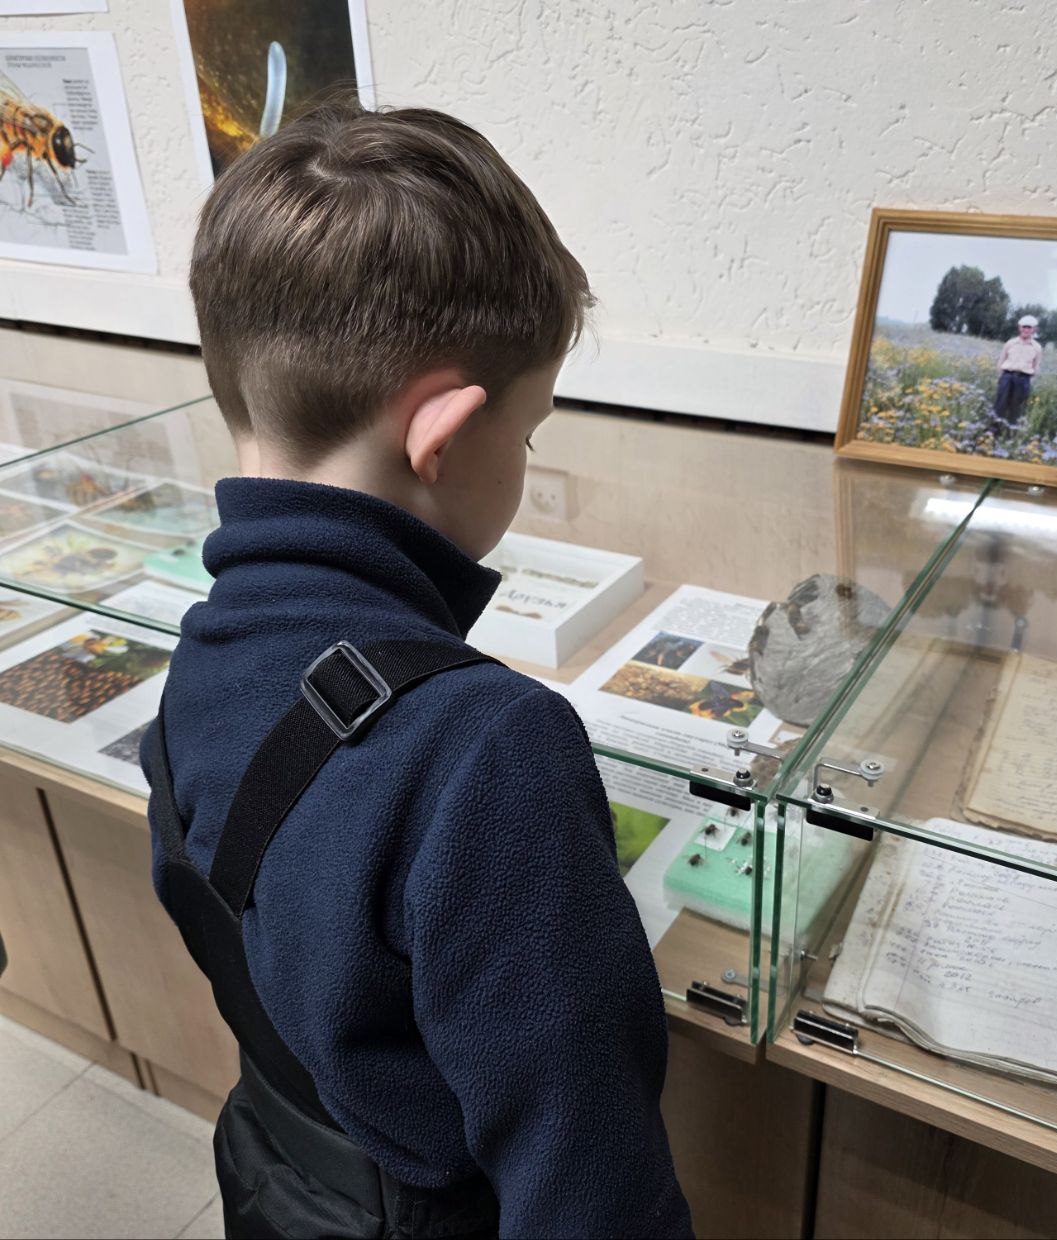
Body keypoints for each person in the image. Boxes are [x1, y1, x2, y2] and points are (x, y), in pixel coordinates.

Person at [142, 102, 693, 1240]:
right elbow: (589, 1183)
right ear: (439, 435)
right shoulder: (489, 748)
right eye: (528, 430)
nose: (524, 456)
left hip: (290, 1182)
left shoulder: (206, 644)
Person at [991, 314, 1043, 436]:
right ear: (1019, 328)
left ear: (1034, 330)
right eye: (1024, 327)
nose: (1026, 330)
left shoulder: (1037, 347)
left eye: (1029, 327)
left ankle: (1010, 434)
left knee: (1016, 408)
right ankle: (994, 432)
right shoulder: (1010, 343)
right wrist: (1001, 377)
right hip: (1007, 376)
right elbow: (1001, 360)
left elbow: (1036, 366)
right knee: (1000, 405)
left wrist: (1029, 382)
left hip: (1023, 379)